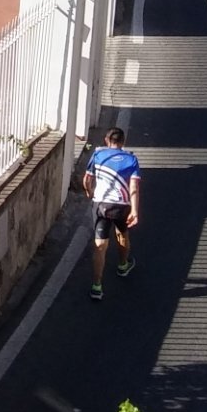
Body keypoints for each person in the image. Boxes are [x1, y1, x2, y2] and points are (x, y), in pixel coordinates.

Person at [82, 127, 140, 301]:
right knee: (122, 233)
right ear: (123, 142)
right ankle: (123, 265)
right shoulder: (131, 159)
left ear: (107, 140)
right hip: (122, 206)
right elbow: (134, 187)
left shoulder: (99, 155)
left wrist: (89, 193)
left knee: (100, 245)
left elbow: (87, 179)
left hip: (101, 205)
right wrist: (135, 211)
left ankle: (97, 286)